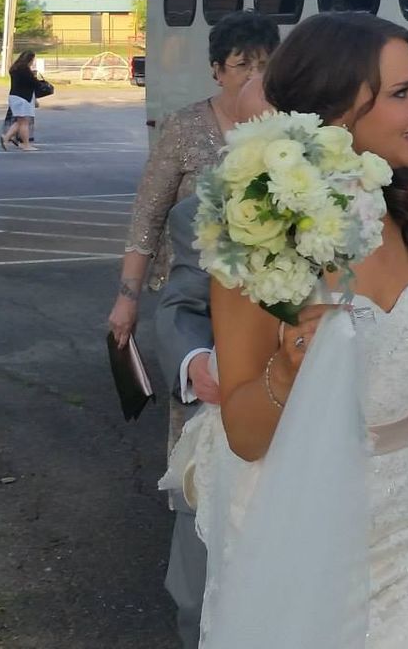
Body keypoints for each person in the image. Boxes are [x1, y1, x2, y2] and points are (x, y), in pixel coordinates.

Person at [189, 12, 408, 647]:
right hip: (302, 522)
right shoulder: (258, 228)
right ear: (336, 111)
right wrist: (287, 371)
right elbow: (245, 436)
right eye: (401, 93)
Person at [151, 72, 271, 649]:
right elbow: (182, 305)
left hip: (327, 429)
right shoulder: (201, 212)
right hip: (230, 423)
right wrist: (195, 360)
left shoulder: (368, 204)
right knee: (198, 595)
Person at [108, 10, 280, 352]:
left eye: (264, 65)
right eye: (242, 65)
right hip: (194, 299)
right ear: (217, 71)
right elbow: (148, 215)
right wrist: (127, 298)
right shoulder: (183, 126)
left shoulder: (287, 127)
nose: (254, 75)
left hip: (266, 296)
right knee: (196, 380)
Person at [1, 51, 46, 151]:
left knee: (20, 121)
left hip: (14, 96)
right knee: (24, 122)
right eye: (33, 60)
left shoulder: (14, 68)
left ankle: (6, 137)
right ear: (29, 60)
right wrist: (40, 81)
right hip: (24, 98)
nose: (33, 62)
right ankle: (26, 144)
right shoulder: (25, 70)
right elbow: (34, 84)